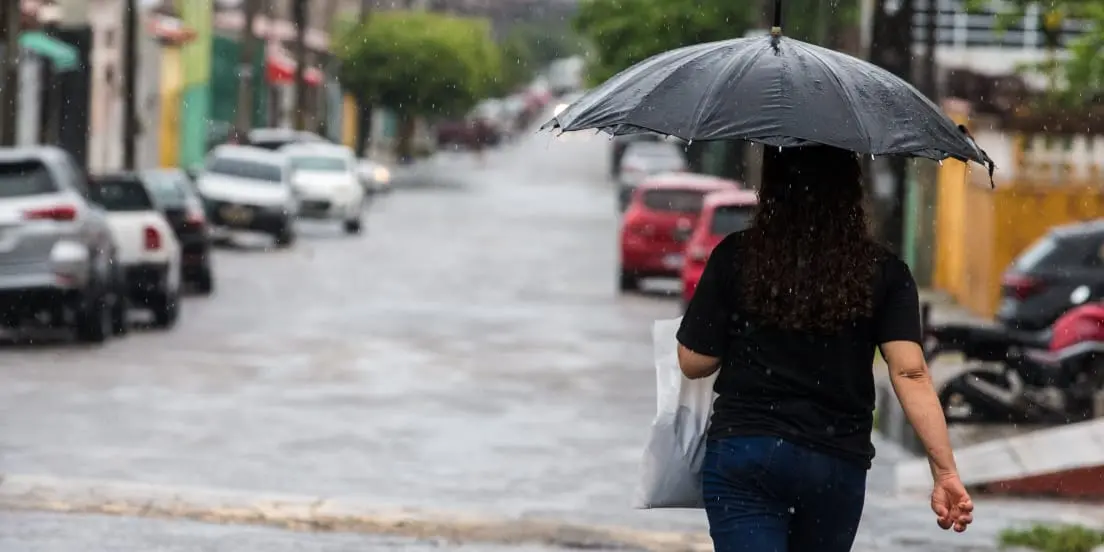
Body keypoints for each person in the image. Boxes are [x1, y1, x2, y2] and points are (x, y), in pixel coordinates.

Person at [676, 145, 973, 552]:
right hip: (834, 461)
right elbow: (910, 373)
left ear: (772, 187)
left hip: (748, 451)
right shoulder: (884, 272)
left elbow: (694, 362)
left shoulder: (736, 256)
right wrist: (945, 472)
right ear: (851, 189)